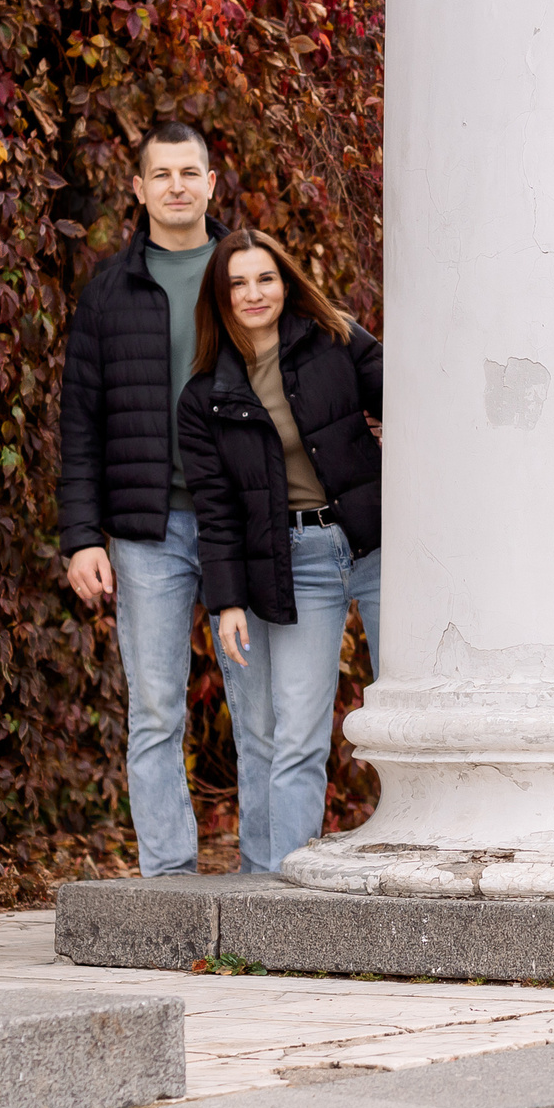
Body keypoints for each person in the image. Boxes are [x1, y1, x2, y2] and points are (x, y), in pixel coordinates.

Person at [177, 227, 385, 874]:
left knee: (417, 708)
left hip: (382, 547)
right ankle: (284, 889)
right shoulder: (204, 397)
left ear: (286, 282)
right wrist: (227, 602)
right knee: (297, 734)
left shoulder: (337, 338)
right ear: (220, 296)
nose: (253, 293)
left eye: (265, 278)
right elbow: (215, 510)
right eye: (237, 283)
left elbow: (416, 402)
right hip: (300, 563)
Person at [59, 123, 225, 878]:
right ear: (139, 189)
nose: (176, 186)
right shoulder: (108, 291)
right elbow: (81, 422)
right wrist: (80, 537)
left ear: (210, 183)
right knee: (156, 709)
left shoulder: (247, 273)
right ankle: (169, 878)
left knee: (261, 709)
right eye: (162, 174)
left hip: (237, 524)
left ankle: (268, 878)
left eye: (189, 172)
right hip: (145, 532)